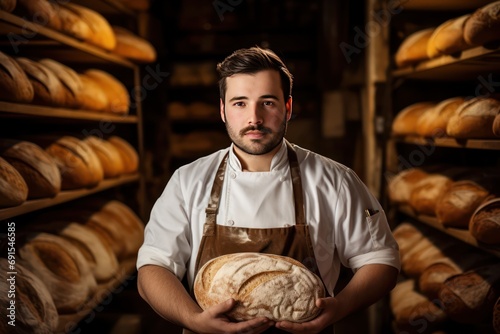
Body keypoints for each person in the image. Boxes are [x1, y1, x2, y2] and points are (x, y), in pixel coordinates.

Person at [136, 46, 400, 334]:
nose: (254, 118)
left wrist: (340, 307)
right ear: (223, 110)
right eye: (239, 103)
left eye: (268, 102)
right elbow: (153, 268)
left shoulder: (335, 179)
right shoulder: (188, 181)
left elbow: (380, 260)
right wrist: (191, 319)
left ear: (287, 107)